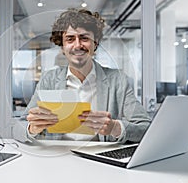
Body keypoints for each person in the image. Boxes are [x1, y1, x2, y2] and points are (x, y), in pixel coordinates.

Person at [18, 8, 151, 143]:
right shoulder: (49, 79)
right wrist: (32, 128)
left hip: (100, 159)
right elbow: (18, 128)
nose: (78, 45)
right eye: (70, 39)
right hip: (58, 157)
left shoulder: (117, 80)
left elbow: (146, 128)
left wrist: (115, 127)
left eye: (84, 38)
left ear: (95, 43)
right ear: (63, 46)